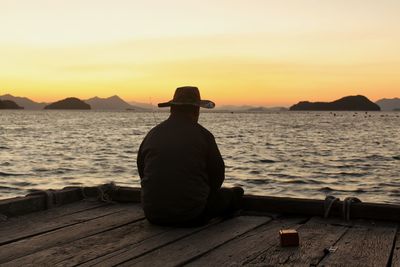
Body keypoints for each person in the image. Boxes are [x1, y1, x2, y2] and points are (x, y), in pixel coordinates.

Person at [137, 86, 244, 226]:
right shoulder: (204, 135)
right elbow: (218, 176)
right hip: (193, 216)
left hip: (153, 215)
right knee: (236, 193)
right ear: (196, 110)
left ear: (172, 109)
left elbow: (142, 170)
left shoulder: (152, 134)